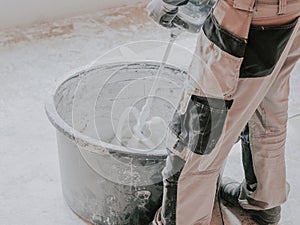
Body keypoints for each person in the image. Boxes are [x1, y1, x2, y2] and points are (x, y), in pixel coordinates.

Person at [147, 0, 300, 224]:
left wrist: (167, 4)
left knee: (198, 139)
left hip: (244, 20)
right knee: (265, 110)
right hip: (293, 16)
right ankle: (263, 204)